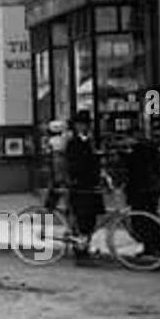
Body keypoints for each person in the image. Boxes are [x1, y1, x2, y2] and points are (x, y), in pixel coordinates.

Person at [64, 111, 104, 260]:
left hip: (92, 184)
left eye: (85, 124)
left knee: (91, 218)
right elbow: (73, 163)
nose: (83, 127)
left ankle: (85, 244)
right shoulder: (73, 143)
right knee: (82, 217)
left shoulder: (92, 141)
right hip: (80, 184)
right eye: (80, 124)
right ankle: (80, 249)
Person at [120, 130, 160, 260]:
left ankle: (151, 248)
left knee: (142, 221)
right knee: (150, 219)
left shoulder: (136, 153)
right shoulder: (150, 150)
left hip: (141, 191)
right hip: (151, 189)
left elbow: (132, 175)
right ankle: (154, 248)